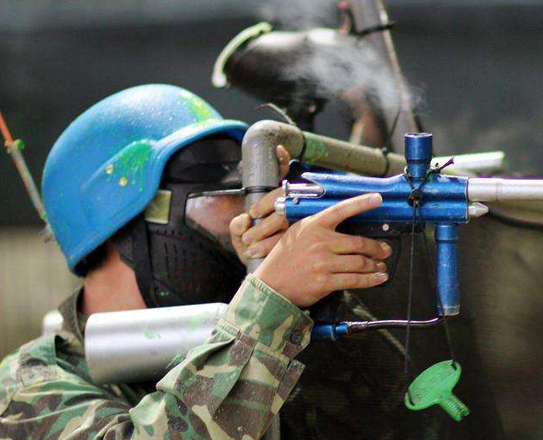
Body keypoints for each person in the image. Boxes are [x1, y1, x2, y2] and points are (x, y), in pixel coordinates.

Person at [0, 84, 391, 439]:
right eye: (213, 203)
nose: (237, 227)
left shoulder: (236, 334)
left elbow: (369, 412)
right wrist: (270, 302)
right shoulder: (29, 387)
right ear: (123, 228)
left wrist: (312, 305)